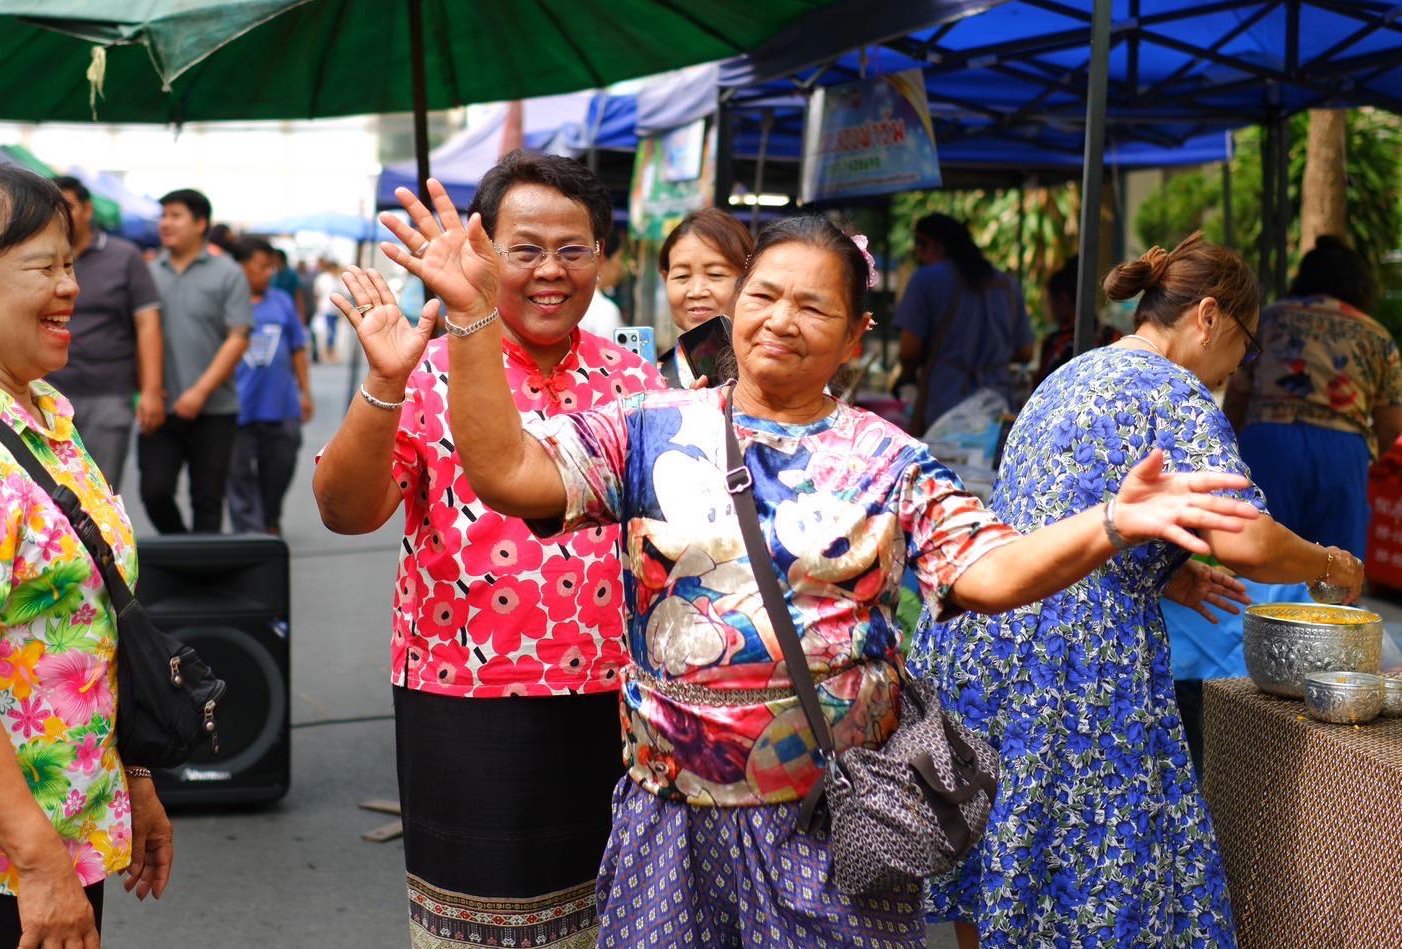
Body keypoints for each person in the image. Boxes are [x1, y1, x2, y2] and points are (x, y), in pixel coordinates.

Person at [384, 191, 1265, 948]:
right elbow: (505, 473)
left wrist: (1109, 521)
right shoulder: (646, 425)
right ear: (733, 310)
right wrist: (469, 320)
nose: (780, 319)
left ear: (855, 336)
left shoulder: (889, 459)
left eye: (812, 306)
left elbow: (989, 569)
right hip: (669, 814)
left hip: (829, 825)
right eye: (763, 294)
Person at [906, 232, 1365, 949]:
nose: (1238, 364)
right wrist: (1330, 561)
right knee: (1095, 871)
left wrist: (1161, 570)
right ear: (1208, 315)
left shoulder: (1072, 371)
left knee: (996, 855)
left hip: (983, 625)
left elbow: (1061, 504)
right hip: (1069, 659)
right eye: (1243, 341)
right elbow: (1243, 536)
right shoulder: (1173, 390)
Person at [312, 152, 664, 949]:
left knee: (614, 918)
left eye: (572, 250)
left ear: (601, 259)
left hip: (621, 702)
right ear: (483, 253)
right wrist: (383, 385)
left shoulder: (638, 383)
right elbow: (345, 511)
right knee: (478, 926)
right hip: (463, 700)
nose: (550, 271)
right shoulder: (425, 371)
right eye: (526, 248)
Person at [0, 161, 173, 948]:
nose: (70, 287)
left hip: (67, 821)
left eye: (70, 263)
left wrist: (134, 779)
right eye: (42, 268)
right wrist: (38, 864)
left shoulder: (42, 414)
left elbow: (89, 613)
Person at [1166, 234, 1402, 769]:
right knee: (1337, 591)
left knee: (1260, 586)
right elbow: (1392, 429)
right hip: (1341, 452)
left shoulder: (1265, 318)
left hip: (1269, 443)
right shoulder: (1375, 333)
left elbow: (1239, 398)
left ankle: (1255, 704)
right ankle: (1326, 741)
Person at [139, 188, 252, 534]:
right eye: (163, 216)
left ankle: (206, 576)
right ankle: (183, 551)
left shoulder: (228, 273)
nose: (165, 223)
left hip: (215, 408)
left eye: (175, 215)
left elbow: (238, 337)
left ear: (200, 223)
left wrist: (200, 392)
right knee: (154, 492)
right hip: (159, 405)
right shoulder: (146, 272)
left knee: (207, 499)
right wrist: (148, 391)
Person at [46, 175, 165, 491]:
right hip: (47, 392)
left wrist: (151, 391)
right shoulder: (37, 258)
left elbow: (147, 323)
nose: (59, 215)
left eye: (67, 206)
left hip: (109, 392)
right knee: (50, 492)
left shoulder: (124, 256)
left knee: (102, 492)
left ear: (87, 210)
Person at [895, 213, 1033, 433]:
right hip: (997, 408)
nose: (917, 255)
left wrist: (907, 377)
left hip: (944, 407)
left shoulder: (926, 280)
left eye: (919, 247)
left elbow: (909, 351)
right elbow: (1026, 352)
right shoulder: (1007, 285)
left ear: (933, 245)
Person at [228, 237, 313, 536]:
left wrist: (305, 392)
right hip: (236, 406)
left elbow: (298, 348)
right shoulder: (226, 303)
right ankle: (249, 534)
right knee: (237, 474)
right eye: (261, 267)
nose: (268, 274)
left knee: (279, 467)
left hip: (281, 405)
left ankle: (270, 516)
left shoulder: (282, 301)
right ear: (241, 267)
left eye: (271, 268)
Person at [657, 208, 753, 386]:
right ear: (665, 278)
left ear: (748, 280)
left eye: (715, 274)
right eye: (682, 276)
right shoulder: (649, 379)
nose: (696, 291)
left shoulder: (772, 372)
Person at [1031, 258, 1118, 392]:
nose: (1048, 308)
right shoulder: (1114, 336)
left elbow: (1040, 390)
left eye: (1049, 301)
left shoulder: (1056, 344)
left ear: (1063, 300)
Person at [578, 230, 629, 339]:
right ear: (602, 260)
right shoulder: (605, 310)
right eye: (619, 258)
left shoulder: (577, 300)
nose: (621, 267)